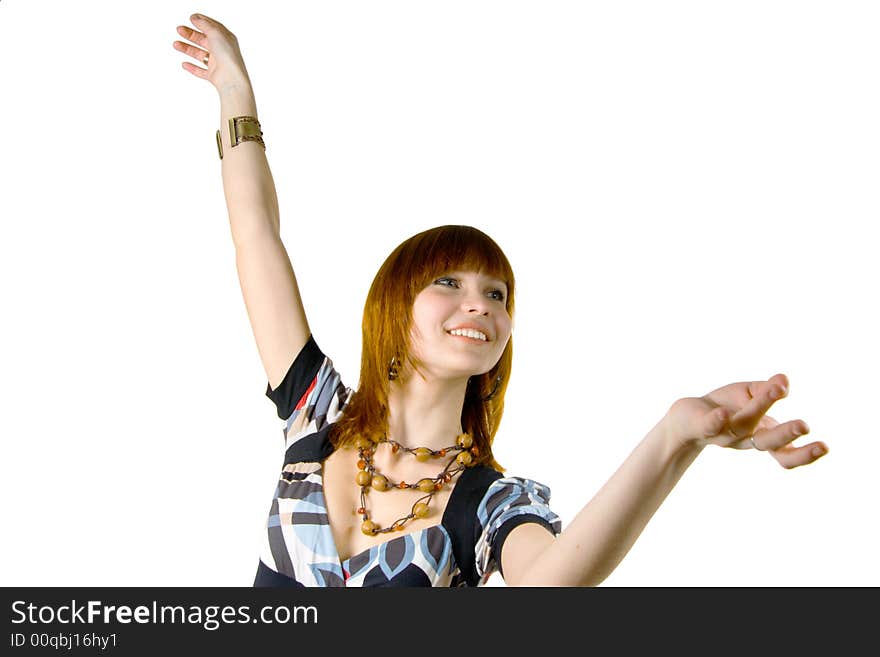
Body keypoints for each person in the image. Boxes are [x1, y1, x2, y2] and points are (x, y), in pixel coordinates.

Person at [173, 13, 829, 587]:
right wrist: (235, 90)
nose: (480, 304)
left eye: (496, 292)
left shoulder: (483, 502)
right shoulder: (315, 416)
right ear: (394, 307)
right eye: (448, 283)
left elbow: (549, 582)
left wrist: (674, 437)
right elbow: (255, 234)